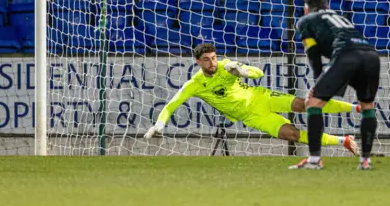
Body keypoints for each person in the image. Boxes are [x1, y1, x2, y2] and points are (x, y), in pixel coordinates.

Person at [144, 43, 360, 155]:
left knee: (303, 104)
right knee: (292, 134)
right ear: (198, 62)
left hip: (262, 97)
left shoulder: (226, 66)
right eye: (207, 60)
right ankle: (344, 141)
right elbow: (172, 104)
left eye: (214, 57)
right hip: (252, 117)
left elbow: (258, 73)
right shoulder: (195, 85)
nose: (212, 63)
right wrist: (160, 123)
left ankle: (355, 108)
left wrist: (241, 70)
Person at [289, 0, 381, 170]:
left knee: (313, 103)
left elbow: (314, 55)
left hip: (347, 55)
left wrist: (317, 84)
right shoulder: (338, 17)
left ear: (306, 9)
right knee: (367, 106)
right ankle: (365, 161)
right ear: (327, 6)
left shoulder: (305, 21)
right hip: (371, 55)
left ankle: (314, 160)